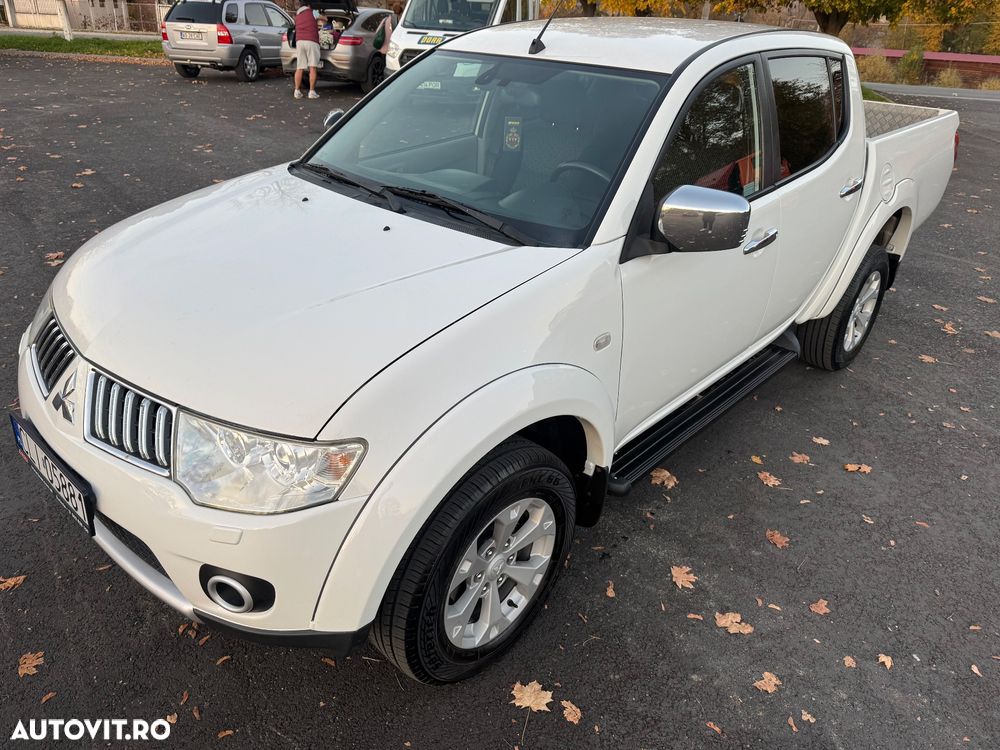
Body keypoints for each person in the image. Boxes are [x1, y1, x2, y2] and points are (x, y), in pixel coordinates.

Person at [293, 2, 322, 100]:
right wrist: (321, 17)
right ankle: (312, 92)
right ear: (309, 5)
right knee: (312, 67)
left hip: (300, 41)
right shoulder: (313, 12)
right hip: (311, 41)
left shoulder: (297, 14)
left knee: (299, 67)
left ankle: (297, 91)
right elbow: (325, 19)